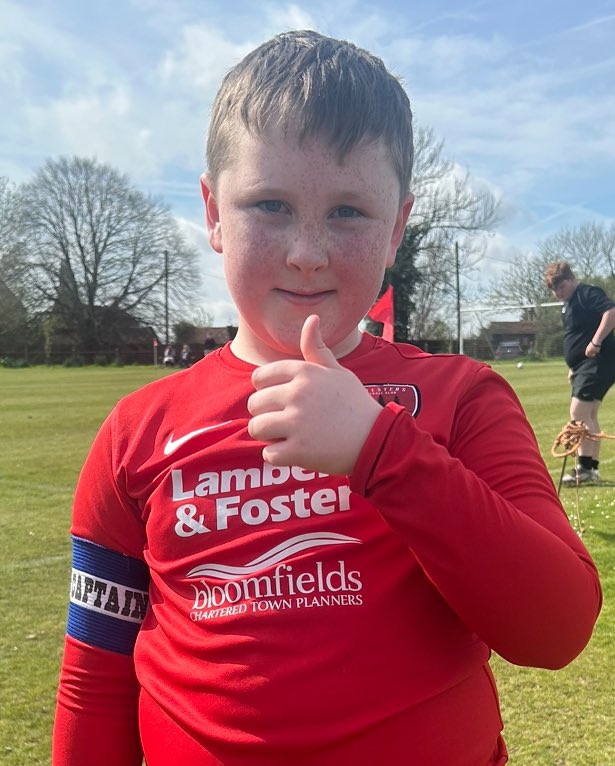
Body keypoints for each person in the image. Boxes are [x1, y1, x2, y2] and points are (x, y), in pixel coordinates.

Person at [53, 31, 602, 766]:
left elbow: (555, 627)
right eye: (269, 205)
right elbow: (95, 676)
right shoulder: (136, 432)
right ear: (214, 213)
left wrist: (381, 450)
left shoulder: (459, 399)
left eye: (348, 212)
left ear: (396, 227)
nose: (306, 250)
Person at [545, 261, 615, 485]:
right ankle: (591, 470)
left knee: (578, 412)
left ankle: (583, 470)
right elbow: (576, 336)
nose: (557, 293)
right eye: (554, 289)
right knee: (589, 414)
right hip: (584, 366)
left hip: (597, 361)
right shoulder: (568, 305)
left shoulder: (586, 293)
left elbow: (611, 311)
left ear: (571, 279)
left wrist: (596, 342)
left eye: (560, 287)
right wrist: (572, 367)